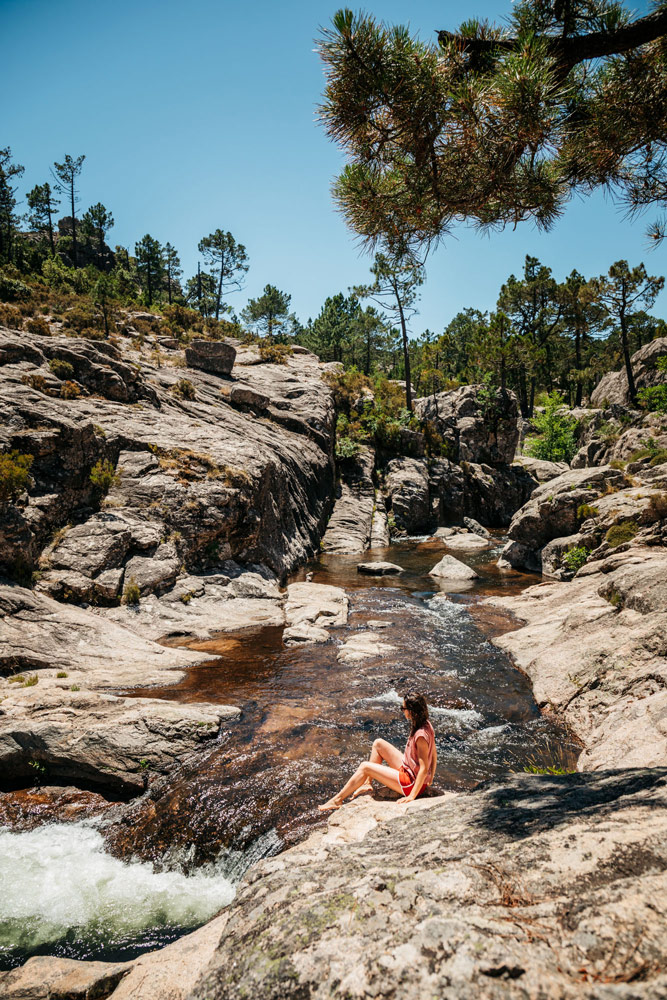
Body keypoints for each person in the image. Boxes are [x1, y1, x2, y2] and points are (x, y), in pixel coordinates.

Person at [318, 692, 437, 811]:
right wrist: (430, 778)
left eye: (403, 708)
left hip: (410, 784)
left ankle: (337, 800)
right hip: (409, 771)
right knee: (378, 743)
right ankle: (367, 784)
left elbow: (424, 768)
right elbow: (434, 752)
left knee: (365, 767)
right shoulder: (426, 724)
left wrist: (412, 796)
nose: (402, 711)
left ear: (412, 711)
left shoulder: (420, 735)